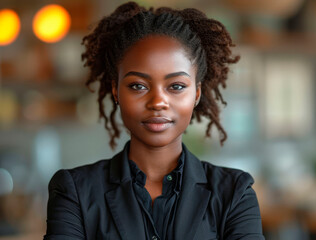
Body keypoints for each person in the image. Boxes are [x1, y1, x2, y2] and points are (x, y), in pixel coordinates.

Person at [44, 2, 264, 239]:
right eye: (138, 86)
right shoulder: (74, 191)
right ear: (116, 91)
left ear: (196, 94)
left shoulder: (235, 193)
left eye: (176, 86)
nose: (158, 101)